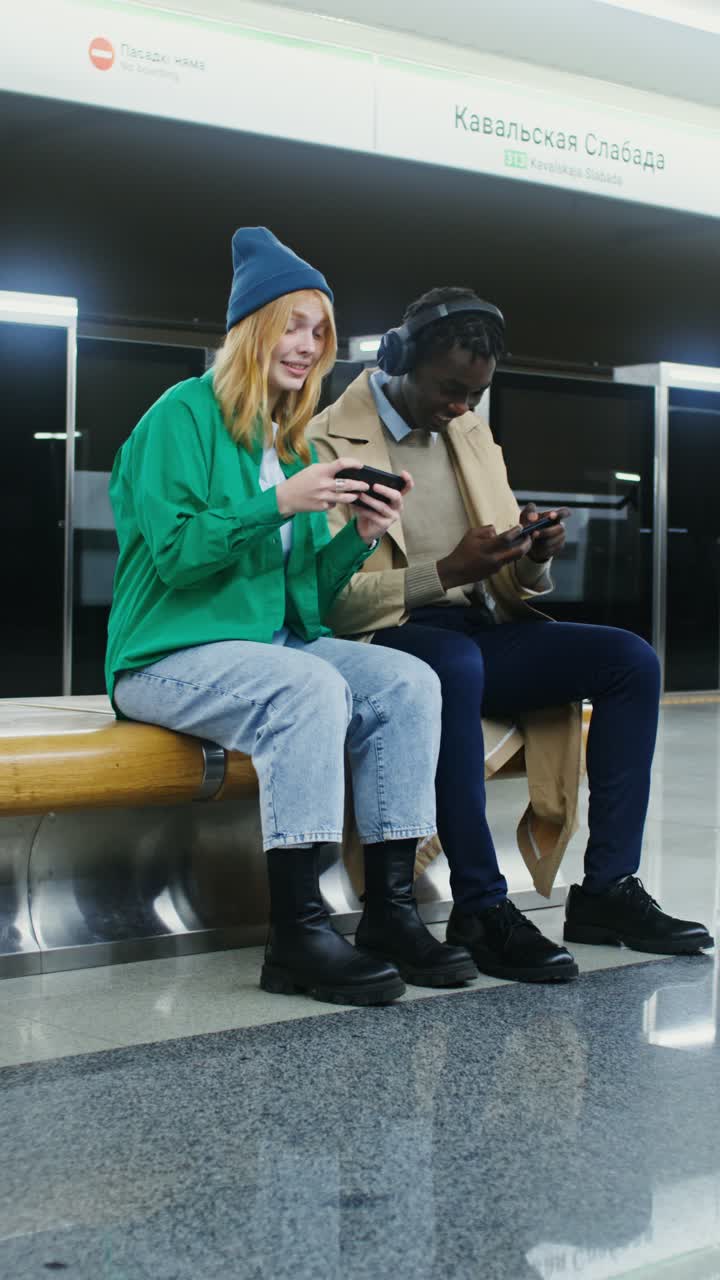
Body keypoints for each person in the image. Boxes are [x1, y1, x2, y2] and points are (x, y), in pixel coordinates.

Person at [105, 231, 478, 1006]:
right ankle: (299, 935)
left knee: (408, 681)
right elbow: (176, 556)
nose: (308, 345)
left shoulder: (292, 442)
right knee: (308, 687)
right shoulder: (180, 415)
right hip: (164, 655)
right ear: (250, 330)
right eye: (293, 325)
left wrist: (361, 535)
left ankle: (390, 913)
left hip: (266, 647)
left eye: (320, 331)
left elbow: (304, 598)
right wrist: (276, 503)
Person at [309, 285, 713, 982]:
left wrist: (533, 553)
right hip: (383, 639)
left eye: (476, 393)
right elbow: (332, 604)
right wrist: (445, 571)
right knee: (454, 663)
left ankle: (608, 891)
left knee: (630, 660)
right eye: (450, 389)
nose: (462, 406)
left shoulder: (470, 433)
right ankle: (481, 906)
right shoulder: (324, 440)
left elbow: (508, 585)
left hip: (474, 631)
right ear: (400, 358)